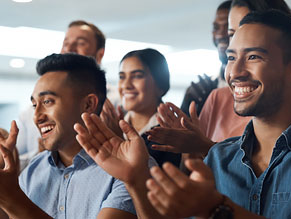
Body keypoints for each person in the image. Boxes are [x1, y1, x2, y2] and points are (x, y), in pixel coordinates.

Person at [76, 10, 291, 218]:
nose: (235, 72)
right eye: (232, 57)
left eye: (254, 57)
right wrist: (135, 179)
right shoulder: (220, 158)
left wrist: (216, 209)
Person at [146, 0, 291, 155]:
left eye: (248, 28)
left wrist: (205, 148)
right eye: (232, 34)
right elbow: (193, 174)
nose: (238, 39)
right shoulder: (216, 97)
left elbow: (280, 167)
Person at [0, 54, 139, 218]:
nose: (37, 116)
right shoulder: (35, 169)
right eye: (34, 105)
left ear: (88, 105)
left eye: (47, 102)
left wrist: (14, 199)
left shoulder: (131, 168)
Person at [16, 20, 111, 170]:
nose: (69, 48)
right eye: (65, 42)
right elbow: (19, 159)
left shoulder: (118, 105)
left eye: (80, 42)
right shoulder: (35, 172)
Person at [117, 49, 180, 167]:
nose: (126, 85)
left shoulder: (171, 134)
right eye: (122, 77)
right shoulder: (112, 126)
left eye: (137, 76)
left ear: (160, 85)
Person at [180, 0, 231, 116]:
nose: (220, 35)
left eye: (228, 27)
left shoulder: (249, 88)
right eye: (216, 27)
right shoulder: (200, 91)